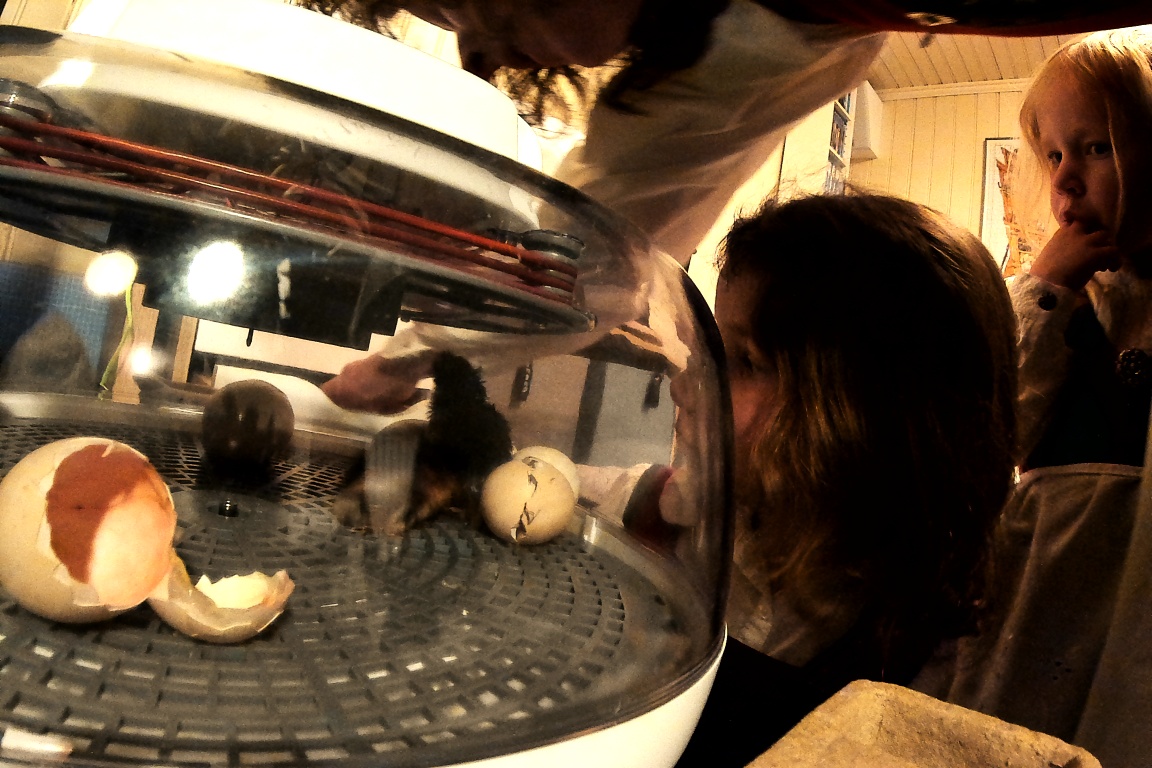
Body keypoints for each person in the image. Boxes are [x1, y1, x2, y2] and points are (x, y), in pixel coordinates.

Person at [298, 0, 1152, 265]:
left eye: (485, 8)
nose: (490, 49)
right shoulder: (749, 40)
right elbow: (598, 244)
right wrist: (426, 353)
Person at [674, 191, 1018, 766]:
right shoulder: (707, 516)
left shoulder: (922, 666)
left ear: (864, 417)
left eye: (746, 361)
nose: (688, 384)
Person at [936, 28, 1152, 768]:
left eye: (1096, 147)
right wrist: (1047, 290)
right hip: (1041, 575)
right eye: (1053, 155)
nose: (1066, 179)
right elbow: (999, 428)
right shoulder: (1056, 299)